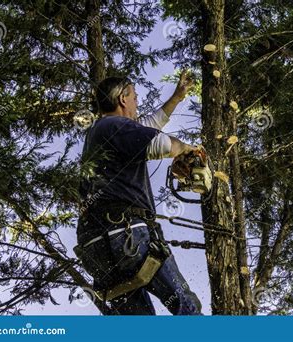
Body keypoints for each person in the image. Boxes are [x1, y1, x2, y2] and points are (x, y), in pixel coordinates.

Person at [76, 71, 202, 315]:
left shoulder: (103, 132)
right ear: (123, 99)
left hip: (97, 250)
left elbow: (151, 124)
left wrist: (177, 97)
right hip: (125, 236)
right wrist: (189, 150)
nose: (137, 102)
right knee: (186, 308)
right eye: (134, 97)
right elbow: (163, 144)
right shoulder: (114, 125)